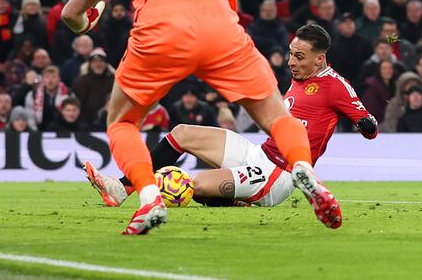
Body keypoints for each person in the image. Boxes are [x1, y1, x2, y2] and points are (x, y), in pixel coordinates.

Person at [61, 0, 340, 234]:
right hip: (218, 26)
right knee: (276, 116)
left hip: (158, 32)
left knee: (121, 123)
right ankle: (303, 168)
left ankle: (149, 196)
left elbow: (70, 14)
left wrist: (88, 20)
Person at [84, 24, 377, 209]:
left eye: (299, 56)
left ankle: (241, 200)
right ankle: (121, 189)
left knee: (194, 187)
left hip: (279, 175)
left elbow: (369, 125)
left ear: (320, 59)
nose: (291, 61)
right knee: (182, 132)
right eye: (290, 53)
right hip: (259, 153)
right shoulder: (299, 77)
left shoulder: (335, 84)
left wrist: (365, 124)